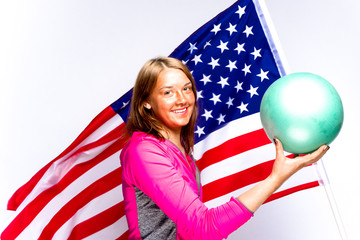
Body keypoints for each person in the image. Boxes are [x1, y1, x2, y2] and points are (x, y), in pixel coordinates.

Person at [120, 57, 329, 240]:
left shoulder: (179, 151)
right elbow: (203, 228)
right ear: (146, 102)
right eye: (168, 92)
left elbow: (192, 233)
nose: (182, 99)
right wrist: (276, 178)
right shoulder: (144, 152)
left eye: (186, 88)